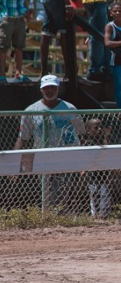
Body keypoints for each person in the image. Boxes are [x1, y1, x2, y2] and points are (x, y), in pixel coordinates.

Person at [14, 75, 85, 210]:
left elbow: (81, 133)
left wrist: (82, 160)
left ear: (58, 89)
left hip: (67, 157)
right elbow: (23, 138)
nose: (50, 91)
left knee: (64, 192)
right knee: (47, 192)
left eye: (53, 87)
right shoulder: (31, 111)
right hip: (43, 158)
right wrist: (16, 162)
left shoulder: (69, 109)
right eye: (46, 88)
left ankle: (59, 216)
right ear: (41, 90)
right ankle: (50, 216)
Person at [0, 0, 30, 83]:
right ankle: (2, 74)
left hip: (19, 18)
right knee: (3, 48)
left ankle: (18, 72)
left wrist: (27, 12)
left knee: (19, 47)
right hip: (8, 18)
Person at [81, 117, 111, 218]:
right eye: (96, 128)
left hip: (104, 174)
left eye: (101, 127)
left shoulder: (103, 141)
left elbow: (108, 151)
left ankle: (104, 214)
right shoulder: (89, 143)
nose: (99, 129)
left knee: (104, 194)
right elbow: (85, 157)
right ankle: (95, 215)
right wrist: (84, 169)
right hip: (93, 175)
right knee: (94, 194)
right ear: (89, 131)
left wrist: (107, 136)